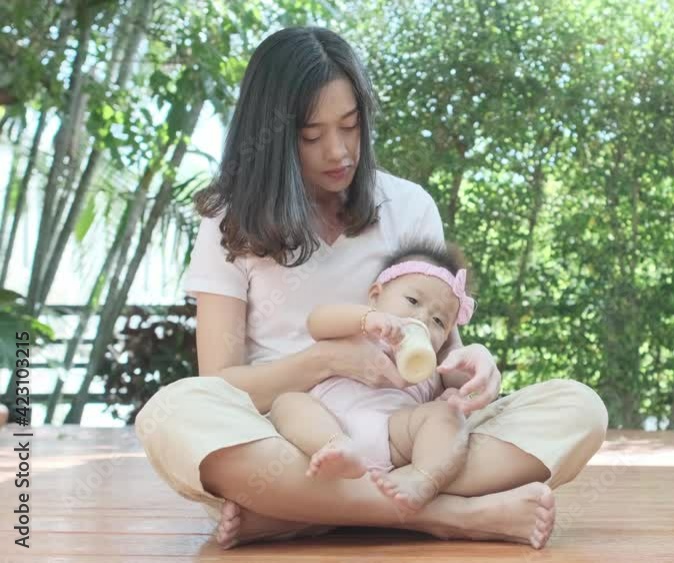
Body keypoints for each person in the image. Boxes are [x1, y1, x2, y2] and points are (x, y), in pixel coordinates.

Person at [134, 26, 608, 551]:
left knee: (579, 408)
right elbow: (221, 384)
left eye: (351, 126)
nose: (339, 151)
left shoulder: (408, 206)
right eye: (311, 136)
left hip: (405, 435)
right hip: (289, 440)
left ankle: (300, 511)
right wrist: (327, 361)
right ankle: (447, 515)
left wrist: (474, 365)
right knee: (172, 414)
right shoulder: (229, 220)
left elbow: (440, 351)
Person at [269, 240, 481, 514]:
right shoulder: (361, 330)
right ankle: (337, 447)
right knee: (287, 402)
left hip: (393, 436)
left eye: (439, 321)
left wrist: (454, 393)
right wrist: (366, 319)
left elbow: (463, 388)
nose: (422, 318)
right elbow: (316, 321)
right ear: (375, 295)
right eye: (413, 301)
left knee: (447, 416)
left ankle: (421, 479)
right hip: (326, 422)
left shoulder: (430, 364)